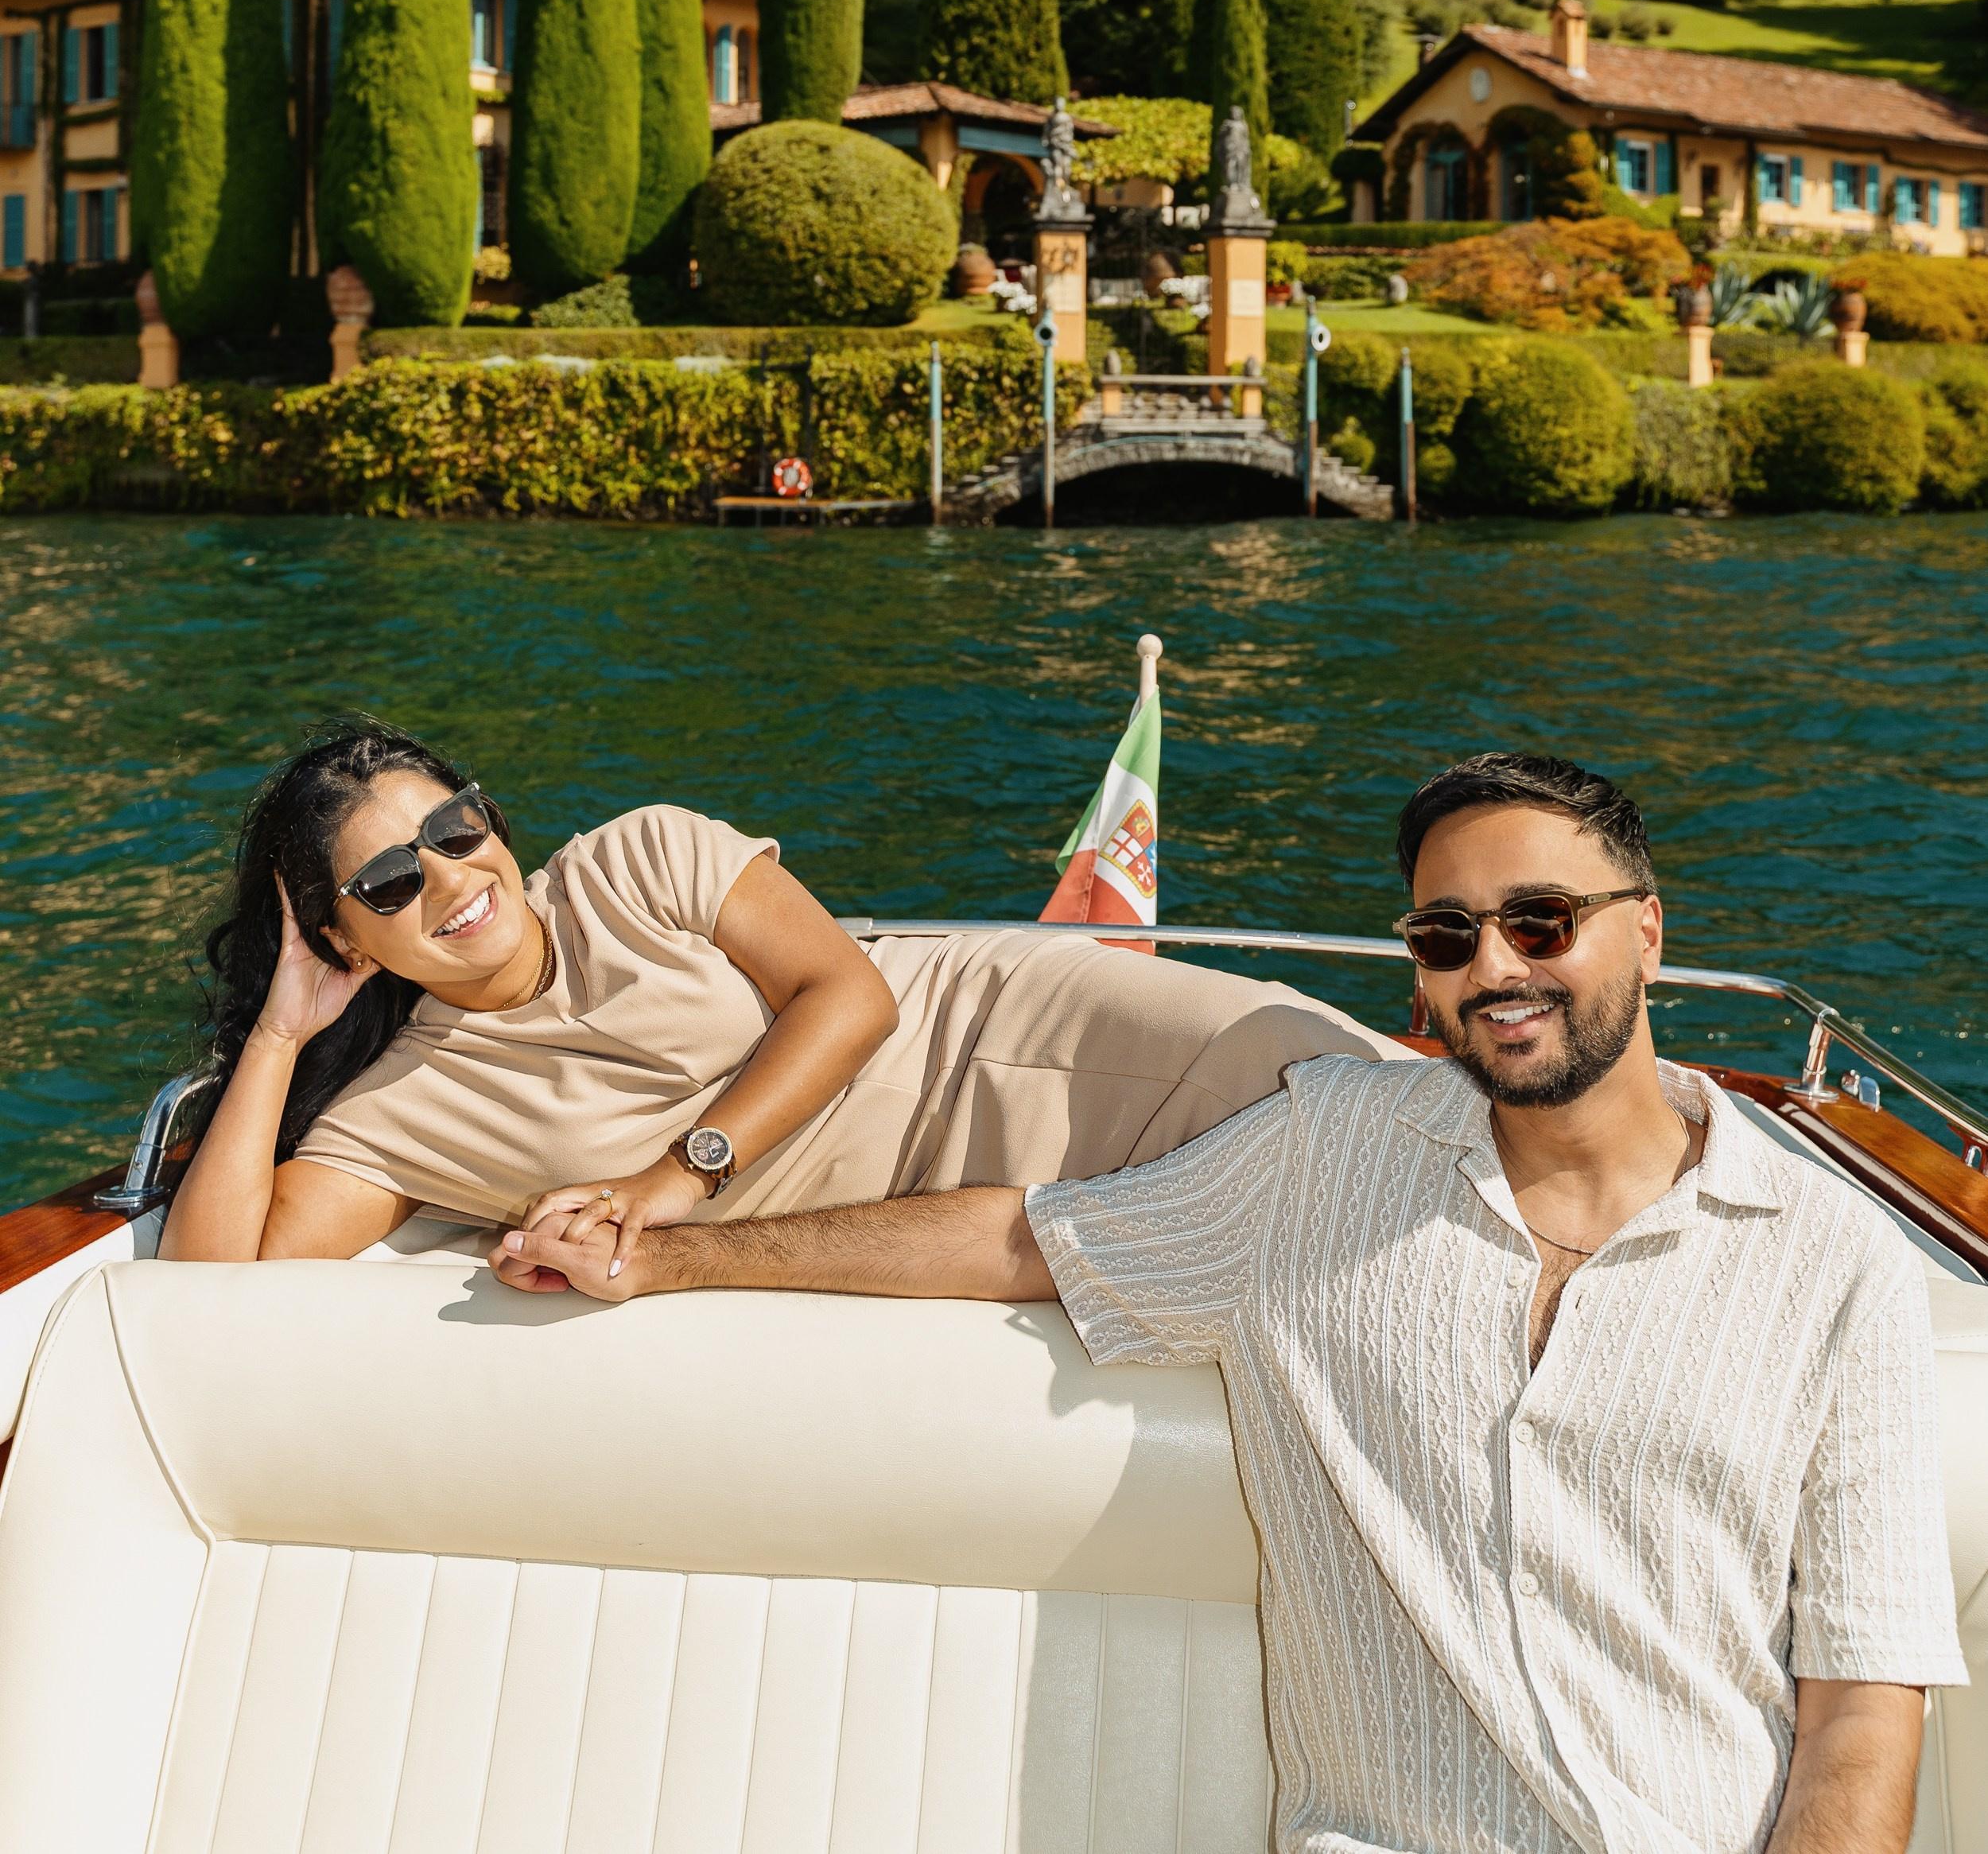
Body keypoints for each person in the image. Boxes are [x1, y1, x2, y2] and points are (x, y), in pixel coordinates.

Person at [493, 749, 1967, 1854]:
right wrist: (667, 1251)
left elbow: (1861, 1703)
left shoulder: (1836, 1261)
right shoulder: (1320, 1154)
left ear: (1646, 930)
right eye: (1446, 936)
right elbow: (1022, 1239)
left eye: (1541, 920)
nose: (1496, 967)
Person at [162, 720, 1396, 1265]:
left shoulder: (634, 856)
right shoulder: (407, 1109)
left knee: (1333, 1080)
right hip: (939, 1211)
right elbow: (218, 1269)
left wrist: (675, 1178)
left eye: (452, 827)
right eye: (387, 879)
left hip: (992, 1025)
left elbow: (848, 993)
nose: (447, 875)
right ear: (342, 935)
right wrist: (280, 1027)